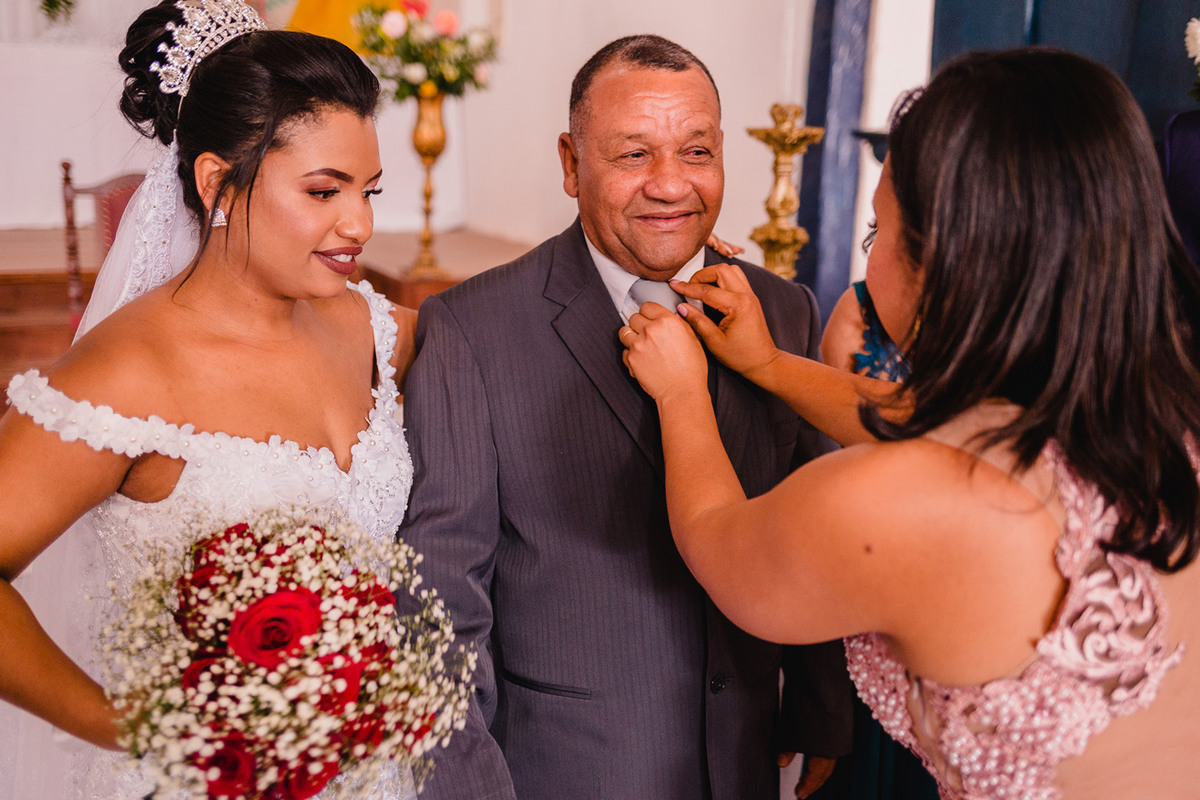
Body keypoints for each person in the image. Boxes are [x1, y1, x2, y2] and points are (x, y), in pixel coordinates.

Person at [620, 46, 1200, 800]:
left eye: (878, 234)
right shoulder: (1155, 417)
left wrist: (681, 396)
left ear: (952, 262)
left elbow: (720, 541)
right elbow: (929, 422)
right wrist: (768, 365)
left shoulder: (901, 502)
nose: (871, 262)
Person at [399, 33, 854, 800]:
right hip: (566, 771)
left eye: (697, 152)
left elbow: (815, 523)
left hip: (746, 763)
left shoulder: (782, 310)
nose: (671, 185)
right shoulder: (472, 330)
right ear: (572, 164)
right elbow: (442, 598)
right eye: (633, 155)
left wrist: (819, 712)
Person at [0, 1, 419, 797]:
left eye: (369, 189)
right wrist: (132, 723)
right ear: (218, 180)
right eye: (325, 191)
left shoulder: (369, 329)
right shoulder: (124, 376)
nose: (359, 223)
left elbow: (504, 343)